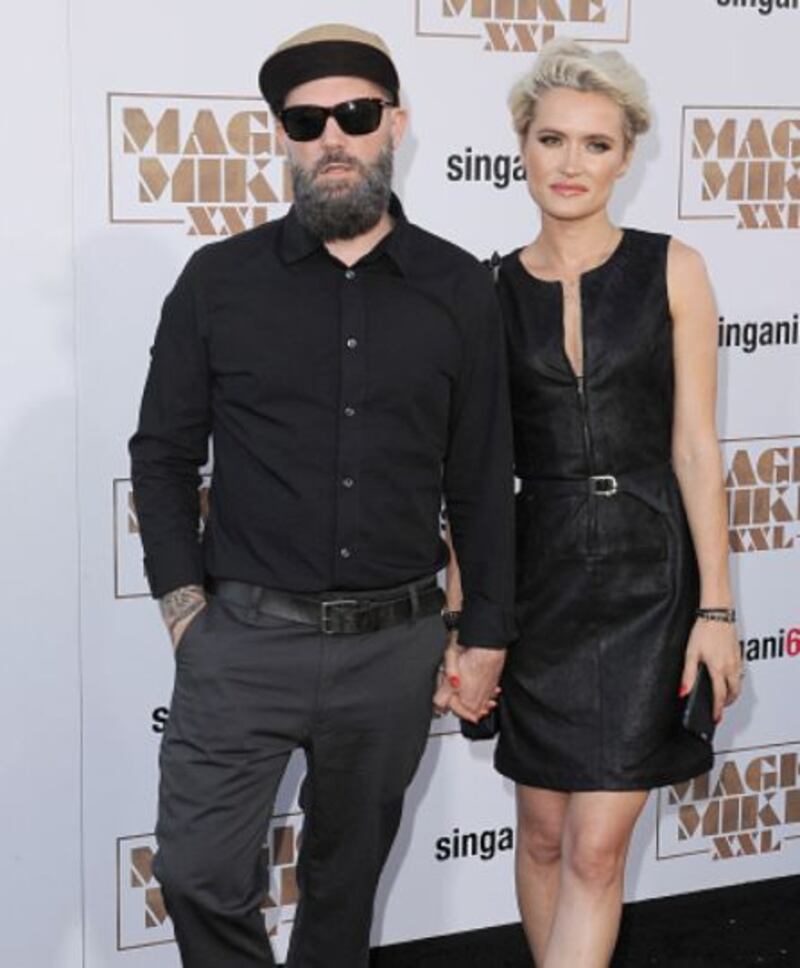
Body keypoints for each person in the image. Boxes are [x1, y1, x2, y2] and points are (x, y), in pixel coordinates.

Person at [129, 22, 515, 968]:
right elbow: (163, 454)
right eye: (307, 121)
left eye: (356, 114)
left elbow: (480, 474)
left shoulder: (458, 285)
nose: (333, 136)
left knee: (343, 891)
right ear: (283, 138)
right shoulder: (217, 282)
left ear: (396, 125)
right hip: (242, 642)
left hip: (394, 649)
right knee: (197, 874)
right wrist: (184, 608)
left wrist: (486, 633)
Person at [436, 40, 743, 968]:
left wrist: (717, 611)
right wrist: (463, 621)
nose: (572, 163)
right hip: (537, 580)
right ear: (521, 148)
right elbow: (472, 476)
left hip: (650, 581)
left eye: (597, 144)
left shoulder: (674, 268)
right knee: (540, 835)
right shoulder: (485, 291)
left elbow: (695, 448)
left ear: (626, 156)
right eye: (553, 140)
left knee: (598, 848)